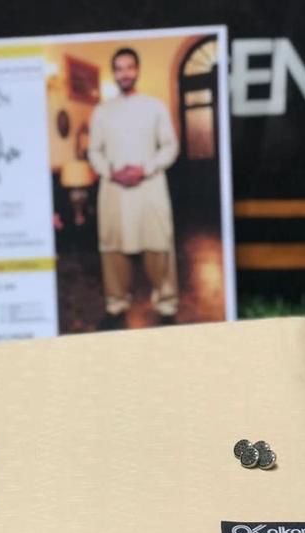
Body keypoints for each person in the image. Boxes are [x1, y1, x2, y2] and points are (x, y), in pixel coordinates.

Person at [88, 47, 179, 328]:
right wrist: (111, 172)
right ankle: (116, 305)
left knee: (158, 245)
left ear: (137, 70)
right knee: (113, 250)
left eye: (129, 67)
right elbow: (94, 151)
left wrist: (145, 169)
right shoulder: (102, 111)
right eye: (119, 68)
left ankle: (167, 305)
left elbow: (170, 146)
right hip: (114, 190)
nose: (124, 73)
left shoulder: (155, 106)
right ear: (114, 73)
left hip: (149, 188)